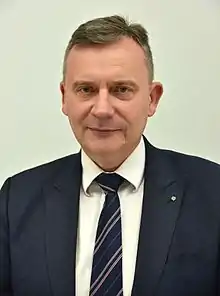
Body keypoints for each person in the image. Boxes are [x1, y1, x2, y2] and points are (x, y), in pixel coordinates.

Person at [0, 14, 219, 296]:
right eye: (86, 90)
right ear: (65, 97)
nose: (102, 109)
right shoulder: (15, 201)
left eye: (121, 90)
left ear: (152, 98)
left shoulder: (213, 193)